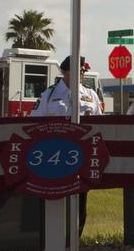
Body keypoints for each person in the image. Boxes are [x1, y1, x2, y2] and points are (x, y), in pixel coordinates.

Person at [30, 55, 102, 234]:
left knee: (80, 197)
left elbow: (100, 123)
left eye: (83, 70)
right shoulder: (50, 94)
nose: (82, 73)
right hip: (54, 154)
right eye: (78, 69)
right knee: (54, 197)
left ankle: (75, 236)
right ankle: (51, 235)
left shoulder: (90, 94)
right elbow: (35, 122)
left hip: (82, 154)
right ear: (65, 72)